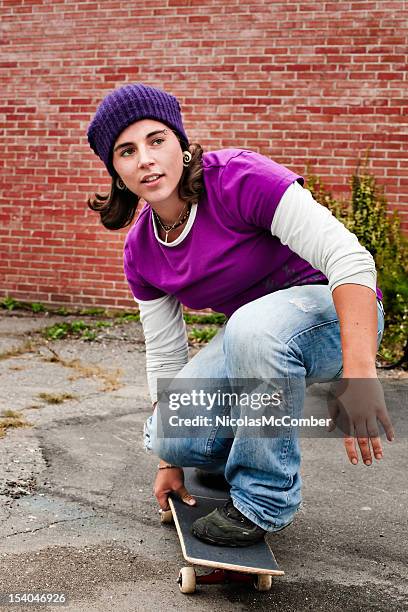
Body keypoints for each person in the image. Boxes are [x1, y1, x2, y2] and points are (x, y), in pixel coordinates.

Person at [87, 83, 394, 548]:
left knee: (251, 326)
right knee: (169, 432)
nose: (146, 159)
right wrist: (169, 462)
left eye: (157, 140)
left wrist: (360, 373)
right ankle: (250, 436)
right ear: (116, 171)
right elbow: (166, 352)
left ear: (181, 144)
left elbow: (350, 260)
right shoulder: (141, 251)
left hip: (336, 313)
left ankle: (264, 499)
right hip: (254, 336)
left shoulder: (237, 178)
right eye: (127, 151)